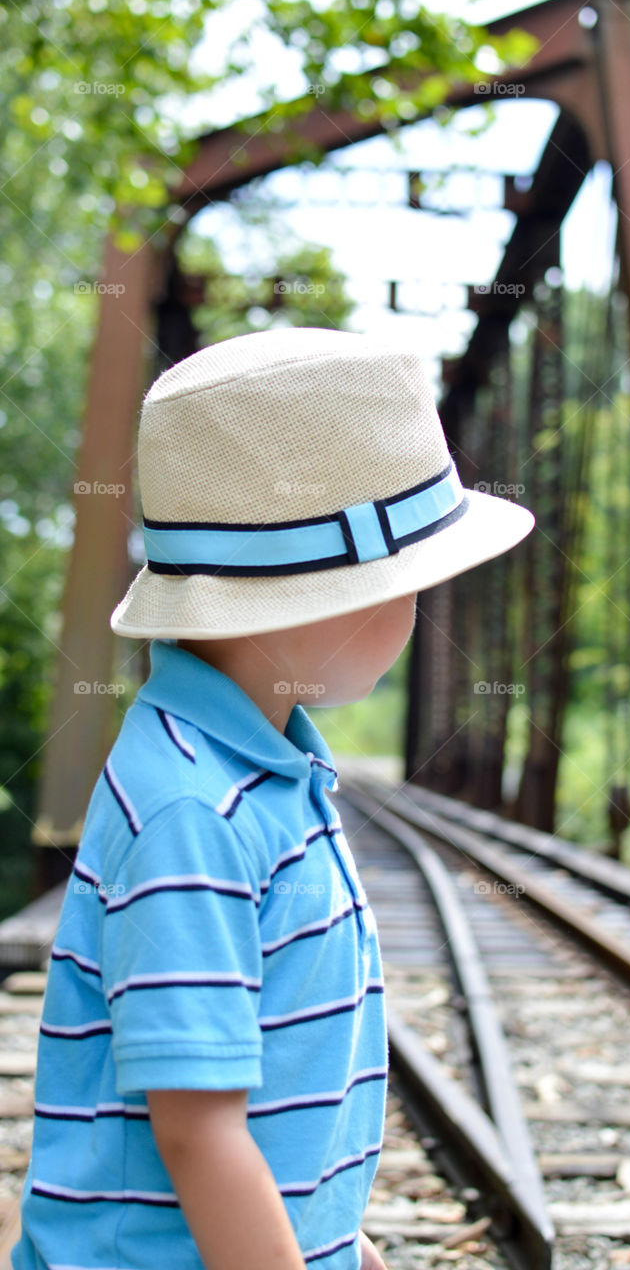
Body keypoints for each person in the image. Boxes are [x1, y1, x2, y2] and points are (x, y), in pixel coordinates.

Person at [12, 326, 534, 1270]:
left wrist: (341, 1244)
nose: (418, 613)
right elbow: (197, 1135)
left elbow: (263, 1103)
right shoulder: (189, 812)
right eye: (413, 585)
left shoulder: (263, 771)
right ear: (333, 597)